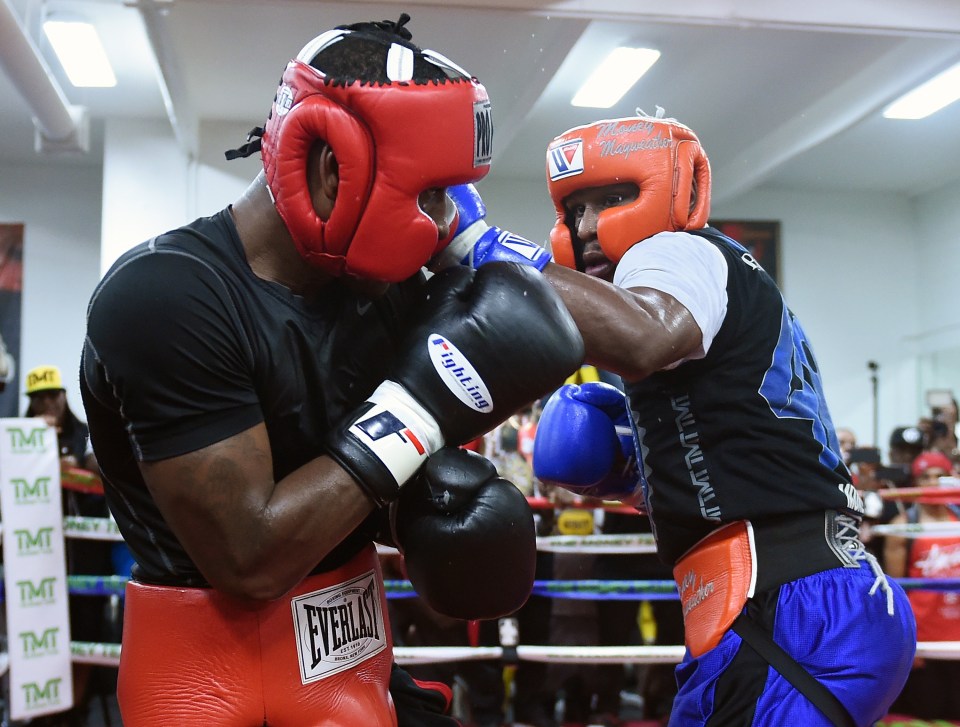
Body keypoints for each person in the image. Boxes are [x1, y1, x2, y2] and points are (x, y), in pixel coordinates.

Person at [79, 14, 584, 727]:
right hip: (212, 686)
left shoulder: (376, 287)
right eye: (430, 193)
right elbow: (248, 557)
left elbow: (627, 340)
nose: (443, 221)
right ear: (331, 167)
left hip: (353, 666)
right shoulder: (167, 297)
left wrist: (485, 252)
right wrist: (418, 411)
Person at [438, 109, 917, 726]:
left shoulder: (672, 250)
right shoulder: (719, 278)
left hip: (788, 609)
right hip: (794, 599)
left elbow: (645, 336)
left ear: (666, 193)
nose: (586, 227)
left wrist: (478, 248)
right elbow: (747, 452)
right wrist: (642, 476)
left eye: (610, 199)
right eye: (574, 209)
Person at [23, 365, 115, 727]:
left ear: (64, 395)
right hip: (35, 557)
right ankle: (42, 709)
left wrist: (70, 469)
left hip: (85, 556)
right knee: (38, 629)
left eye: (53, 394)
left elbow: (99, 474)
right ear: (30, 403)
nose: (48, 403)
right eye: (39, 397)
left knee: (85, 629)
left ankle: (74, 710)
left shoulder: (85, 435)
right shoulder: (18, 439)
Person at [884, 451, 960, 721]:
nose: (932, 481)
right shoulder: (903, 527)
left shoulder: (958, 522)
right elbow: (897, 592)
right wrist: (908, 644)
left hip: (957, 636)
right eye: (925, 476)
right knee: (924, 714)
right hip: (925, 637)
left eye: (939, 475)